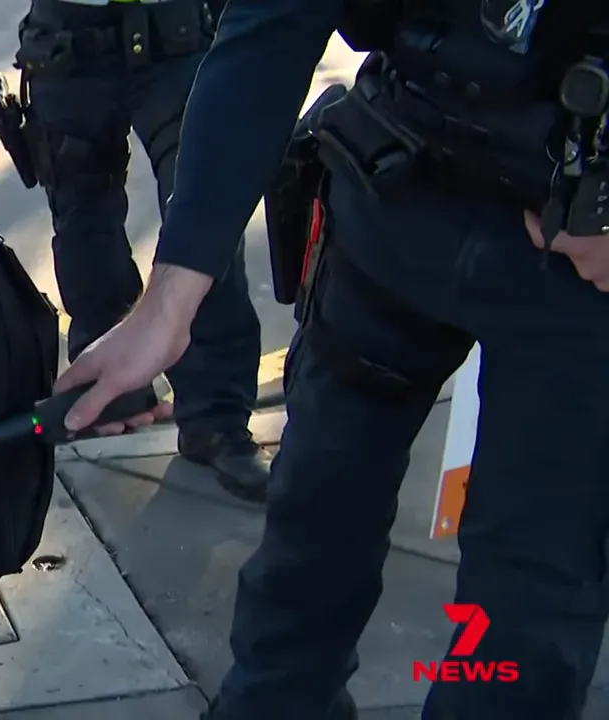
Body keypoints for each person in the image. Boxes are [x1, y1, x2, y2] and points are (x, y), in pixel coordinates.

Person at [53, 0, 609, 717]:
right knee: (307, 543)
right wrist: (168, 302)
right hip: (395, 193)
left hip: (573, 264)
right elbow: (268, 33)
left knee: (525, 613)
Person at [15, 0, 271, 501]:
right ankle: (113, 399)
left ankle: (216, 420)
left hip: (176, 36)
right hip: (67, 44)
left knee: (202, 221)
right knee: (85, 233)